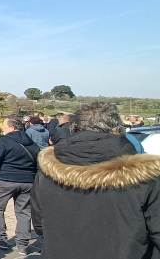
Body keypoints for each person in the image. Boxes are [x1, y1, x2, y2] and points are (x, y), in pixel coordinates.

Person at [32, 103, 160, 259]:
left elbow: (39, 224)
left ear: (74, 128)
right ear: (117, 129)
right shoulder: (146, 174)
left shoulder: (48, 171)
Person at [0, 116, 39, 254]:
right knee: (24, 211)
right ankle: (22, 244)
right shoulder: (32, 143)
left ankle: (1, 239)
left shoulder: (5, 141)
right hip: (28, 182)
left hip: (5, 180)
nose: (2, 128)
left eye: (4, 125)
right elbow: (38, 162)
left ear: (12, 127)